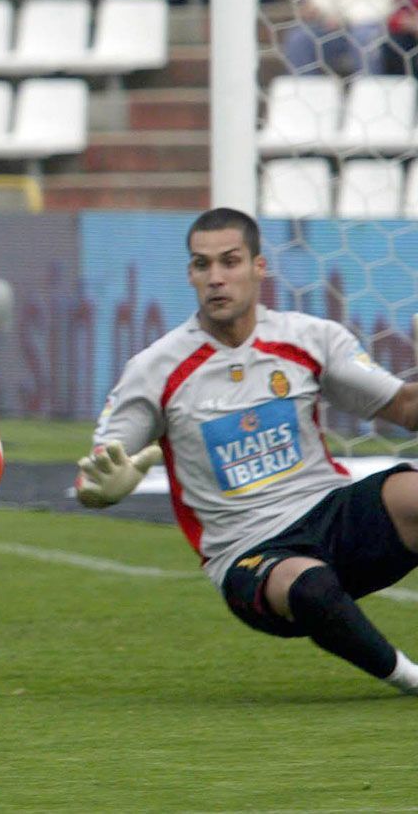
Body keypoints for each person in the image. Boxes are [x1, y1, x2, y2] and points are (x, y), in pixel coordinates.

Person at [78, 207, 418, 697]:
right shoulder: (154, 369)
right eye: (202, 264)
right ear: (190, 274)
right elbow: (94, 475)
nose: (216, 278)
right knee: (312, 587)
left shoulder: (309, 339)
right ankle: (408, 677)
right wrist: (105, 490)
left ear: (259, 267)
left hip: (330, 512)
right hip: (251, 553)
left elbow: (405, 409)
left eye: (230, 261)